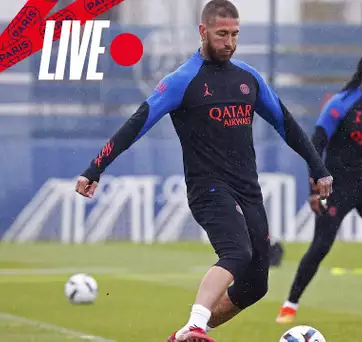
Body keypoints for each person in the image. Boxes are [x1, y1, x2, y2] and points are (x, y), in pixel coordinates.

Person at [74, 1, 333, 342]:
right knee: (236, 252)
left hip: (248, 190)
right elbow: (137, 123)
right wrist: (95, 168)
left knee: (255, 285)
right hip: (207, 188)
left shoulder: (248, 78)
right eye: (221, 34)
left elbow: (287, 125)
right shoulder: (182, 80)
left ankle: (187, 334)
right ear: (203, 31)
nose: (229, 42)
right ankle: (195, 323)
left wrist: (319, 168)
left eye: (235, 34)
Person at [276, 50, 362, 324]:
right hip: (338, 186)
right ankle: (290, 305)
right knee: (321, 246)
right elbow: (317, 144)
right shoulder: (340, 104)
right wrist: (314, 189)